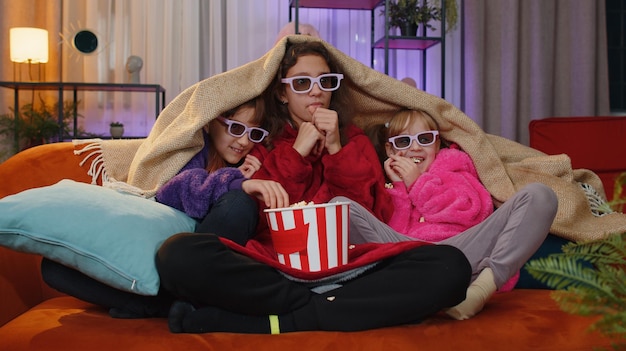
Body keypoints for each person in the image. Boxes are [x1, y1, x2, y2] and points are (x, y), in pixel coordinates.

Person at [156, 40, 472, 334]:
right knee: (178, 254)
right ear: (282, 93)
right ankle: (321, 311)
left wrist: (336, 148)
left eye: (325, 81)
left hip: (351, 267)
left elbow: (370, 215)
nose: (316, 92)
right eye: (302, 83)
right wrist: (297, 152)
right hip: (275, 268)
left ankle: (286, 317)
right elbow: (261, 215)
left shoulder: (355, 141)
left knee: (451, 267)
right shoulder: (263, 142)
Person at [41, 98, 289, 319]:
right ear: (211, 121)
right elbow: (174, 191)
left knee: (239, 203)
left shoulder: (255, 161)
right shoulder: (189, 148)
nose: (244, 141)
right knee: (55, 268)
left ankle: (165, 304)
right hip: (159, 263)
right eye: (235, 128)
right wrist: (233, 180)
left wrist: (244, 182)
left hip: (200, 267)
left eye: (254, 133)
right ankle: (172, 305)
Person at [331, 108, 557, 319]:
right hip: (410, 259)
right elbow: (394, 235)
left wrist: (418, 183)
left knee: (541, 195)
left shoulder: (456, 170)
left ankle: (479, 291)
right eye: (403, 141)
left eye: (425, 139)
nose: (415, 148)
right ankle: (394, 292)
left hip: (461, 252)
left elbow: (471, 212)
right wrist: (400, 188)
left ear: (437, 144)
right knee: (339, 207)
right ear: (390, 150)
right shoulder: (389, 189)